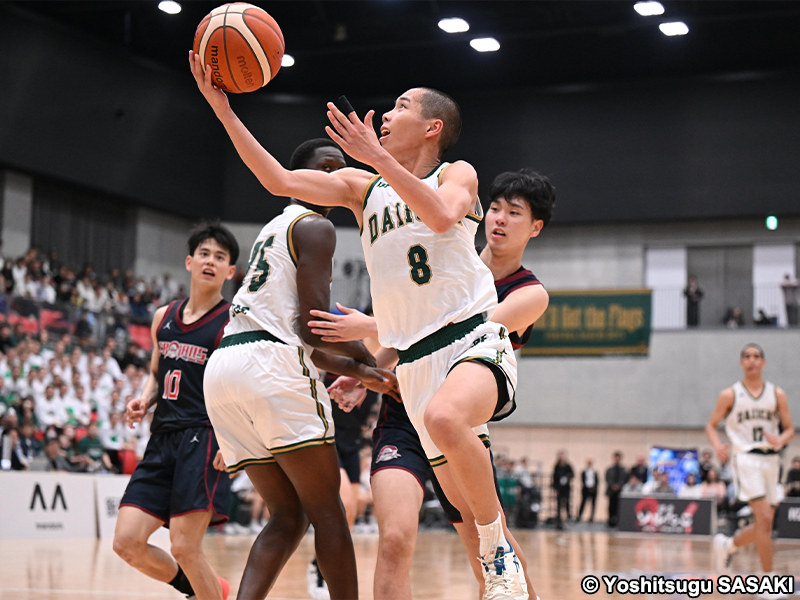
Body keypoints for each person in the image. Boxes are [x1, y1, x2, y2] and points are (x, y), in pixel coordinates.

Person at [191, 49, 536, 599]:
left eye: (401, 106)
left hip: (470, 337)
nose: (387, 113)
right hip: (413, 363)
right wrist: (223, 109)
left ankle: (499, 550)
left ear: (432, 127)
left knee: (447, 420)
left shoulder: (457, 173)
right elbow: (278, 179)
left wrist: (377, 156)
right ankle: (496, 555)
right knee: (457, 514)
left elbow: (441, 216)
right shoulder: (361, 188)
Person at [311, 169, 554, 600]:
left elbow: (461, 327)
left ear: (535, 227)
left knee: (486, 550)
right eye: (494, 208)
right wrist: (365, 375)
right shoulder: (445, 253)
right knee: (393, 540)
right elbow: (407, 331)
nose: (499, 219)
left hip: (455, 422)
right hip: (404, 415)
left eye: (514, 213)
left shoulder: (529, 293)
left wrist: (370, 326)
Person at [201, 138, 399, 600]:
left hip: (226, 367)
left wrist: (365, 373)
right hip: (269, 367)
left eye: (341, 169)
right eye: (325, 167)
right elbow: (315, 328)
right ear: (298, 178)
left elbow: (298, 338)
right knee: (329, 513)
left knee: (289, 516)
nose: (335, 176)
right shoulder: (315, 226)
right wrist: (367, 358)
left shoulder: (273, 228)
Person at [113, 223, 240, 600]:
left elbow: (241, 388)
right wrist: (144, 399)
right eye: (204, 254)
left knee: (185, 547)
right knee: (127, 542)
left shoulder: (232, 322)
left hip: (203, 438)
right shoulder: (163, 316)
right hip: (162, 438)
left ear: (230, 271)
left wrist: (233, 440)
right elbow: (157, 373)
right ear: (189, 261)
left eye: (220, 257)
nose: (210, 261)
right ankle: (204, 589)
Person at [707, 343, 794, 599]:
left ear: (763, 363)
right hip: (745, 459)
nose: (752, 360)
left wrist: (781, 439)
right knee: (765, 518)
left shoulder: (776, 394)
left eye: (756, 356)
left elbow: (790, 428)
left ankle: (728, 545)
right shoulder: (730, 395)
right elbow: (711, 425)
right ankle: (768, 581)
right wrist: (718, 446)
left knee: (764, 524)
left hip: (772, 461)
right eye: (747, 356)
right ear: (741, 363)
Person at [552, 451, 574, 529]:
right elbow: (554, 478)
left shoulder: (568, 466)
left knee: (567, 502)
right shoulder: (557, 466)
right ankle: (559, 519)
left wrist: (567, 478)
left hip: (566, 488)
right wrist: (555, 488)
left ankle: (568, 517)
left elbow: (572, 474)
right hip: (559, 488)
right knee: (559, 504)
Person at [605, 451, 626, 527]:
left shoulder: (623, 470)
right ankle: (610, 521)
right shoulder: (610, 469)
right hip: (611, 492)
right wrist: (613, 486)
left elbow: (624, 479)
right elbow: (608, 479)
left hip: (620, 492)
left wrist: (619, 486)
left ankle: (618, 521)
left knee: (619, 507)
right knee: (611, 507)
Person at [578, 458, 598, 522]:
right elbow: (583, 480)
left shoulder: (594, 472)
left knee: (593, 504)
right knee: (583, 503)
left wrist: (593, 488)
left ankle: (591, 517)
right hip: (586, 489)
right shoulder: (584, 471)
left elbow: (597, 481)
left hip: (593, 489)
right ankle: (579, 516)